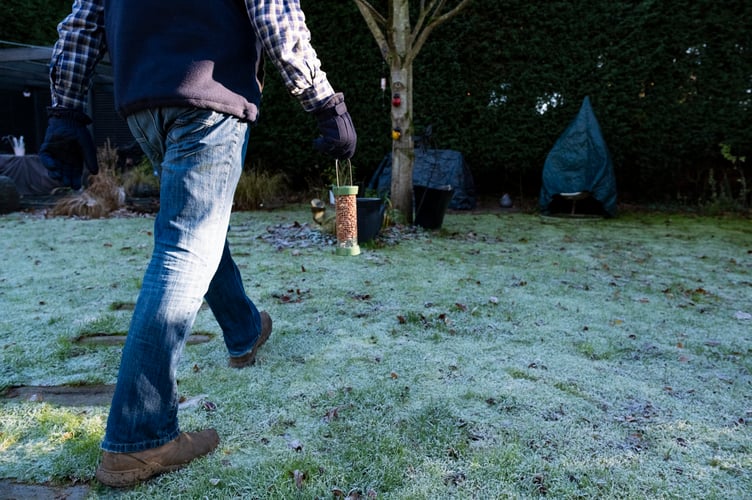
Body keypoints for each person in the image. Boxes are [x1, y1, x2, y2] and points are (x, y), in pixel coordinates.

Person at [39, 0, 356, 488]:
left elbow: (81, 22)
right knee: (186, 247)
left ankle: (244, 330)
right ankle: (139, 436)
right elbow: (275, 16)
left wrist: (65, 107)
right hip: (208, 97)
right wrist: (323, 101)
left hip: (143, 102)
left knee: (198, 229)